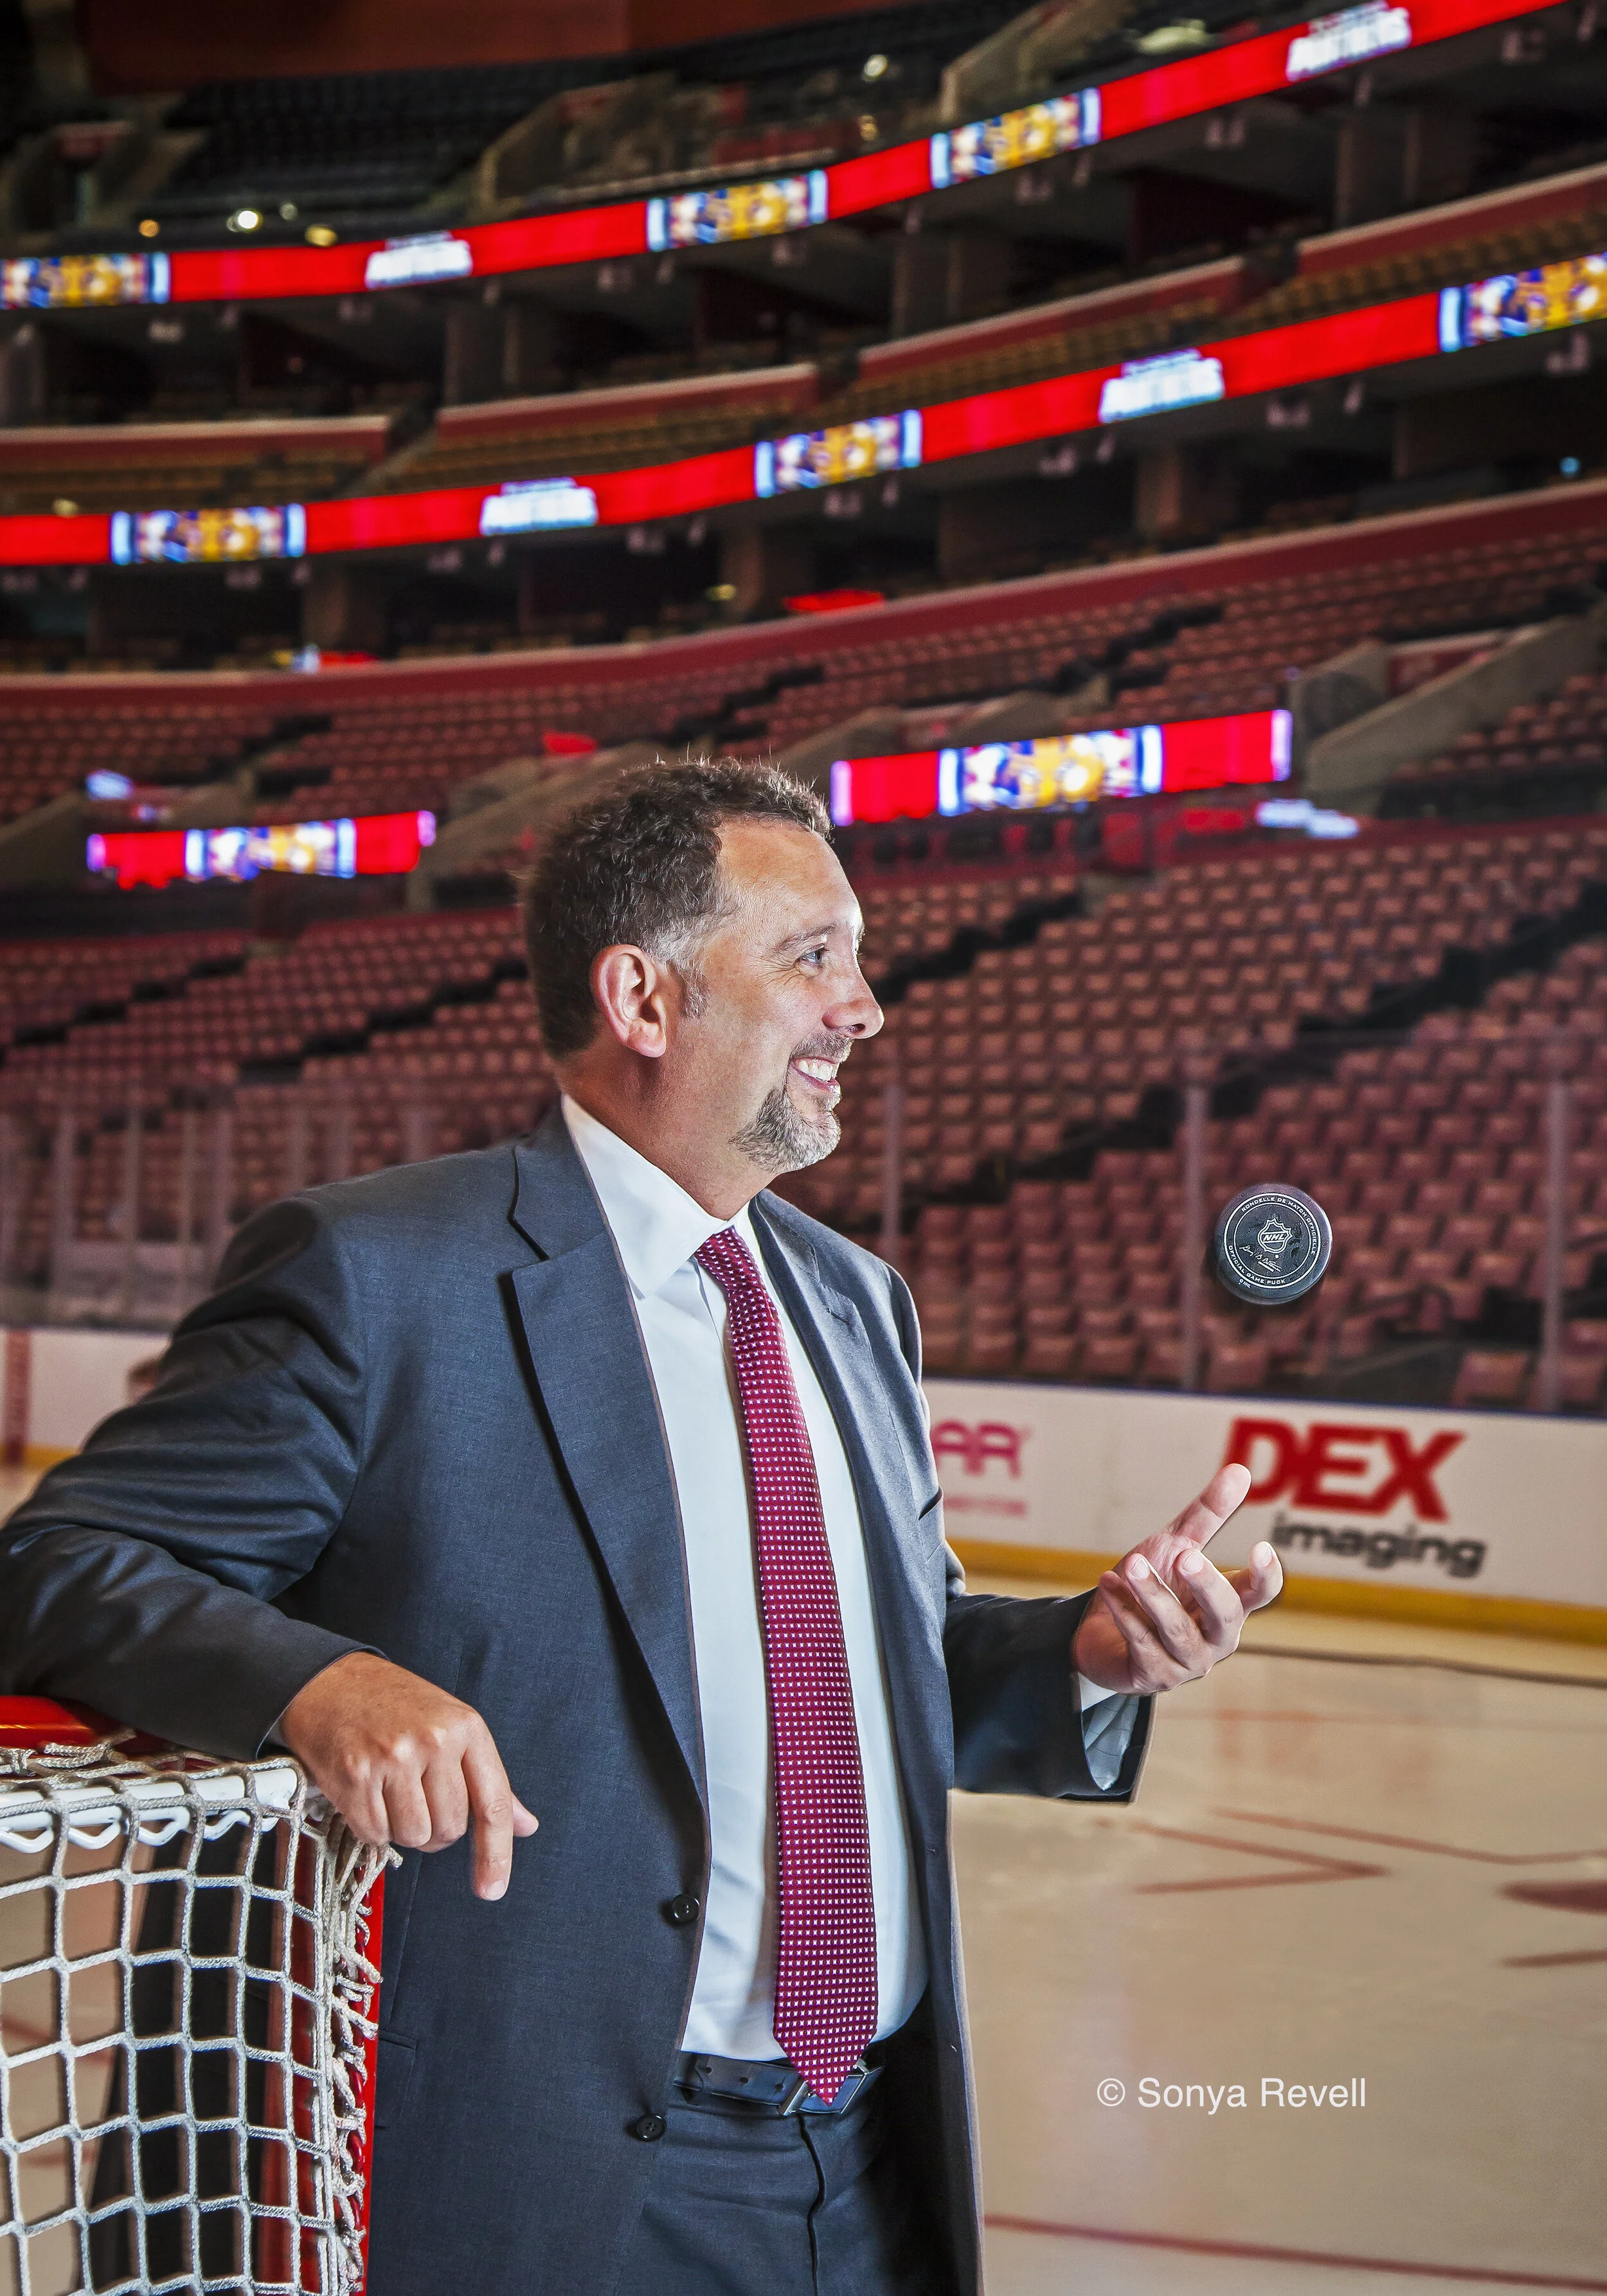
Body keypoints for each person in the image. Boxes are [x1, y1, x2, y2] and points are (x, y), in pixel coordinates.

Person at [0, 759, 1280, 2296]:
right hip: (551, 2173)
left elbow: (871, 1669)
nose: (863, 1007)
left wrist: (1084, 1658)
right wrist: (315, 1681)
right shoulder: (378, 1274)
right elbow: (59, 1565)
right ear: (644, 998)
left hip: (865, 2157)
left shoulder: (854, 1302)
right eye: (813, 957)